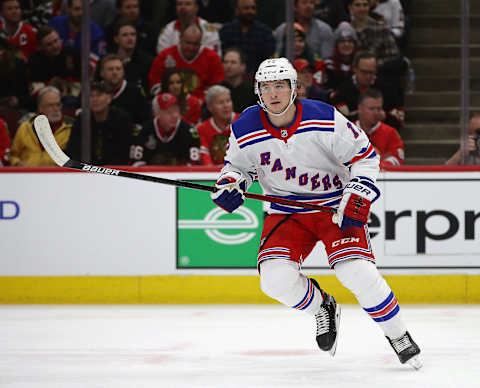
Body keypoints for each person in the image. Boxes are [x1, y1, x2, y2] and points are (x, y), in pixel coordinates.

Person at [210, 57, 422, 369]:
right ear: (258, 91)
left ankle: (398, 334)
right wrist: (231, 184)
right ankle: (322, 307)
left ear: (294, 88)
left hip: (332, 206)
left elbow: (365, 157)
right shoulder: (243, 127)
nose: (274, 93)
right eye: (266, 87)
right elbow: (237, 167)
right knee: (274, 281)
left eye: (280, 85)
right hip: (285, 210)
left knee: (357, 272)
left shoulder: (324, 117)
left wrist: (358, 191)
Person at [149, 23, 225, 100]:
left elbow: (217, 88)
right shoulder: (164, 56)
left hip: (203, 106)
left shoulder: (213, 58)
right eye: (188, 43)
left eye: (195, 44)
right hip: (170, 103)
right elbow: (155, 85)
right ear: (180, 38)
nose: (191, 48)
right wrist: (168, 99)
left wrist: (204, 101)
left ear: (201, 42)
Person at [330, 50, 404, 129]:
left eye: (371, 72)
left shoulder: (388, 89)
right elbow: (337, 122)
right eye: (364, 72)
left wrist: (386, 117)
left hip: (382, 134)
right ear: (354, 69)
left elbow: (399, 119)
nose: (368, 76)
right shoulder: (341, 91)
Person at [66, 81, 133, 165]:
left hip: (115, 171)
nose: (94, 99)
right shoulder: (81, 120)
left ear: (109, 98)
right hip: (86, 172)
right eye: (91, 96)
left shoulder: (122, 119)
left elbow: (123, 153)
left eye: (99, 95)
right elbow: (73, 150)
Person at [129, 92, 201, 166]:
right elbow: (136, 164)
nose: (175, 116)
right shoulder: (142, 132)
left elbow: (194, 166)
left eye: (176, 110)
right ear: (156, 114)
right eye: (169, 112)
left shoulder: (189, 132)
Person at [10, 86, 72, 166]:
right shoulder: (25, 128)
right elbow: (13, 155)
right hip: (28, 176)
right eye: (50, 105)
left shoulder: (70, 129)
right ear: (40, 108)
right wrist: (17, 163)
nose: (56, 109)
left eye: (58, 104)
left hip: (58, 176)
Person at [28, 26, 81, 110]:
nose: (55, 46)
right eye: (49, 44)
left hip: (71, 97)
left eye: (56, 41)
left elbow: (81, 82)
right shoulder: (35, 60)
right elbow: (34, 89)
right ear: (41, 47)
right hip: (46, 99)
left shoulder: (72, 54)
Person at [219, 0, 275, 77]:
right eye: (246, 8)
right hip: (230, 75)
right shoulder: (226, 30)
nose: (250, 11)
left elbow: (268, 59)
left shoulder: (265, 32)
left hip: (257, 77)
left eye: (253, 8)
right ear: (237, 10)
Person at [48, 0, 106, 71]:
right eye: (77, 9)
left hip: (81, 76)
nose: (81, 13)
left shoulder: (97, 34)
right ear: (68, 9)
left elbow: (95, 66)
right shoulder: (54, 24)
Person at [356, 88, 404, 168]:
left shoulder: (391, 133)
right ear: (360, 109)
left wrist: (379, 165)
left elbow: (398, 158)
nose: (376, 113)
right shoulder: (347, 131)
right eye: (371, 109)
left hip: (382, 177)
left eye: (379, 109)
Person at [98, 53, 150, 126]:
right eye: (110, 69)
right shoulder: (93, 91)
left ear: (123, 72)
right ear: (102, 73)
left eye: (118, 69)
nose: (115, 72)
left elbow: (146, 121)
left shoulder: (135, 92)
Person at [156, 0, 221, 57]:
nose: (182, 7)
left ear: (196, 7)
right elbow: (163, 58)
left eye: (188, 4)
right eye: (179, 4)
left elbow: (213, 58)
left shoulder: (209, 30)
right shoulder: (168, 30)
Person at [197, 85, 239, 165]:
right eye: (221, 102)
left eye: (228, 101)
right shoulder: (202, 129)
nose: (226, 106)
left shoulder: (244, 122)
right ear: (210, 107)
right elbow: (204, 157)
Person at [111, 19, 154, 95]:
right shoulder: (108, 61)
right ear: (116, 39)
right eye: (125, 35)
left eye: (133, 34)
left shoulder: (147, 61)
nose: (130, 38)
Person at [220, 47, 257, 113]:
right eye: (226, 62)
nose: (228, 66)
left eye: (233, 62)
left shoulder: (253, 91)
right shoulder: (216, 90)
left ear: (243, 66)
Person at [324, 21, 357, 91]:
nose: (346, 44)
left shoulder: (359, 65)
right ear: (336, 45)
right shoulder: (328, 65)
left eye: (350, 41)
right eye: (342, 41)